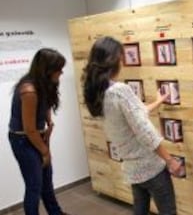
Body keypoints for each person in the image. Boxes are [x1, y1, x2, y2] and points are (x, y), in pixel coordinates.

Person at [82, 36, 181, 215]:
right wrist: (170, 160)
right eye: (120, 58)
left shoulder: (100, 92)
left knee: (140, 210)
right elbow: (145, 131)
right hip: (151, 166)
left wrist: (158, 102)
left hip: (132, 168)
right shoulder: (119, 91)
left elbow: (134, 115)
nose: (122, 62)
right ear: (112, 61)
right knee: (168, 212)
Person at [8, 48, 70, 215]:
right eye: (59, 68)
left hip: (37, 135)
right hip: (23, 140)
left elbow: (46, 103)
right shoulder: (29, 91)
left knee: (46, 180)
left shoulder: (42, 84)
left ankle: (55, 212)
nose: (61, 72)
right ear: (48, 69)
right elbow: (29, 129)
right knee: (34, 185)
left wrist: (48, 120)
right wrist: (44, 152)